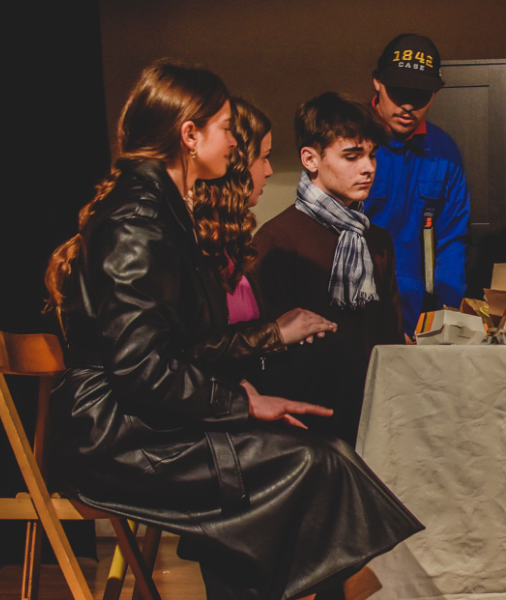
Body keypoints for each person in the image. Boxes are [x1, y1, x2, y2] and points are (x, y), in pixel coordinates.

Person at [43, 60, 422, 600]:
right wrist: (241, 403)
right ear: (189, 136)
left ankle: (342, 585)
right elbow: (141, 370)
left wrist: (248, 383)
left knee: (324, 439)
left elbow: (182, 349)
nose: (233, 142)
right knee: (308, 459)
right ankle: (345, 586)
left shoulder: (161, 212)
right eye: (225, 127)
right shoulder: (137, 220)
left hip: (142, 418)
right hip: (113, 436)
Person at [249, 92, 403, 446]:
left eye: (371, 155)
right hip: (306, 424)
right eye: (352, 156)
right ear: (310, 159)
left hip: (372, 410)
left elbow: (388, 336)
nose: (368, 167)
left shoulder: (377, 240)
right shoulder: (276, 240)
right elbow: (269, 349)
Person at [366, 33, 469, 333]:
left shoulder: (444, 151)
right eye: (399, 92)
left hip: (419, 314)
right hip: (358, 305)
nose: (409, 105)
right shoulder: (350, 142)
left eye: (421, 95)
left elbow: (452, 238)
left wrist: (449, 310)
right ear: (377, 82)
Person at [192, 97, 272, 325]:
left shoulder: (228, 239)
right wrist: (277, 332)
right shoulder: (194, 239)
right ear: (238, 161)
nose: (269, 170)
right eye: (264, 158)